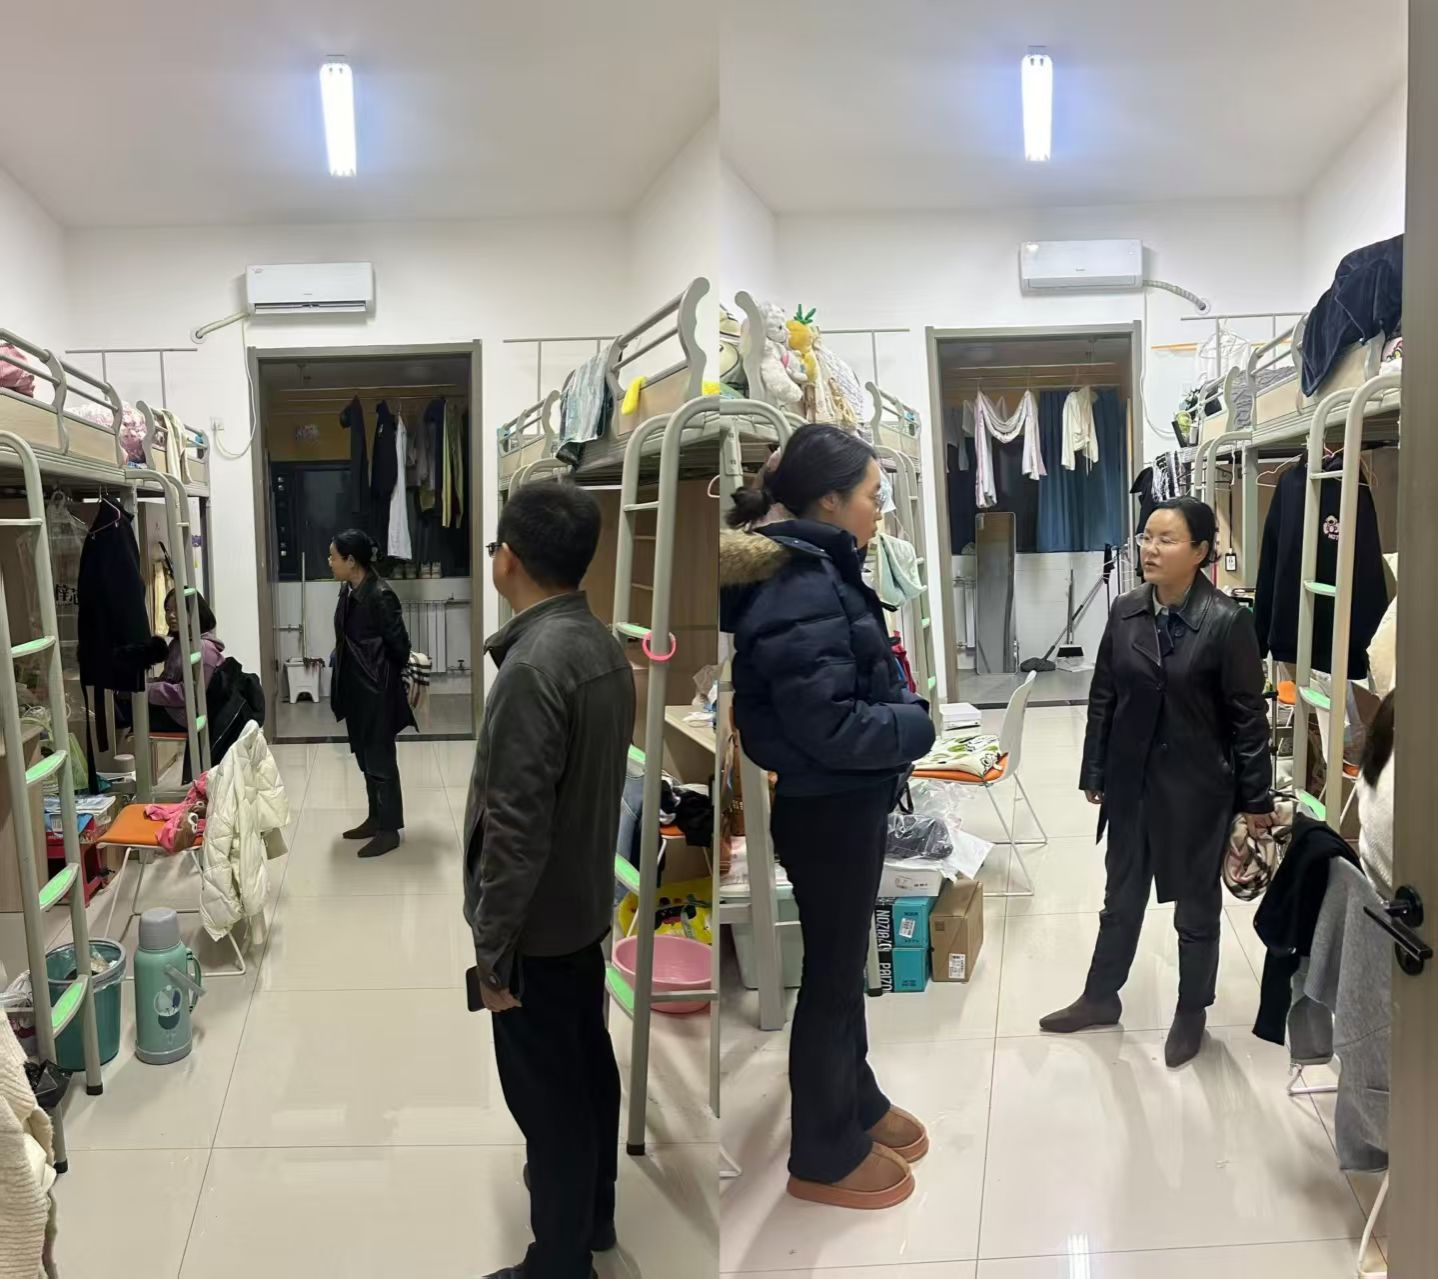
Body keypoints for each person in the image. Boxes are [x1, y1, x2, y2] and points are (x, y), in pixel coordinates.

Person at [719, 423, 936, 1211]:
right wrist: (916, 725)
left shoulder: (819, 568)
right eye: (873, 495)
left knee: (843, 974)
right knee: (832, 980)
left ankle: (857, 1099)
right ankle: (822, 1149)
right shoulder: (801, 585)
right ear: (830, 500)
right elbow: (830, 725)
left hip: (843, 801)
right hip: (830, 807)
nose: (881, 508)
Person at [462, 481, 635, 1279]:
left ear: (509, 558)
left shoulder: (533, 667)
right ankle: (593, 1216)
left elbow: (515, 831)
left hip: (536, 927)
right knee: (588, 1067)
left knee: (549, 1102)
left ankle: (560, 1264)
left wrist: (493, 951)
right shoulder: (600, 645)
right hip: (582, 909)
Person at [1042, 496, 1274, 1067]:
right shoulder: (1126, 610)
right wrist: (1095, 770)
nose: (1149, 549)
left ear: (1200, 551)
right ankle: (1101, 996)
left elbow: (1248, 717)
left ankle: (1192, 1010)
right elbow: (1104, 695)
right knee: (1120, 900)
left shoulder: (1227, 621)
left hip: (1197, 792)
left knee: (1195, 910)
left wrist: (1256, 798)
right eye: (1147, 537)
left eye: (1166, 540)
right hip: (1132, 787)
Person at [328, 529, 413, 859]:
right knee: (365, 758)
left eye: (334, 556)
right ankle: (375, 818)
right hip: (355, 689)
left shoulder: (380, 595)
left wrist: (378, 675)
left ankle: (389, 830)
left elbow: (400, 647)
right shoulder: (348, 590)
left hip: (377, 690)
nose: (330, 562)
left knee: (381, 760)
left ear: (351, 560)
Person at [148, 589, 223, 733]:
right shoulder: (176, 644)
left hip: (185, 717)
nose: (171, 615)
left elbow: (187, 694)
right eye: (168, 610)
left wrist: (148, 691)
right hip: (173, 709)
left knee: (132, 710)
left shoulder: (205, 648)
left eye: (178, 609)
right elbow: (166, 680)